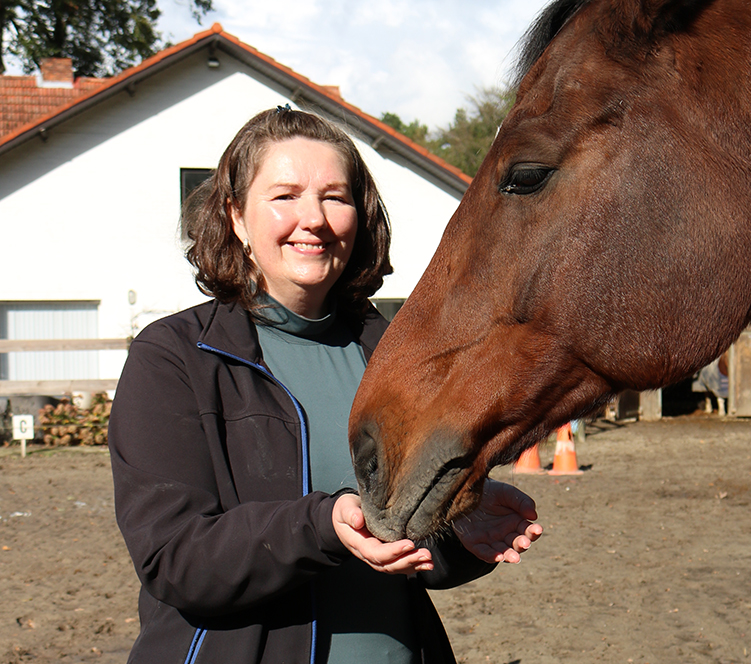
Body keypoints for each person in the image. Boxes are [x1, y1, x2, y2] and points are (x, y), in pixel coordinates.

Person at [109, 107, 543, 664]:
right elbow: (175, 559)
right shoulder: (175, 358)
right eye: (284, 196)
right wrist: (323, 525)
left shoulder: (397, 357)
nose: (312, 218)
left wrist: (460, 530)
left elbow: (406, 541)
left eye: (335, 197)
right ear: (236, 216)